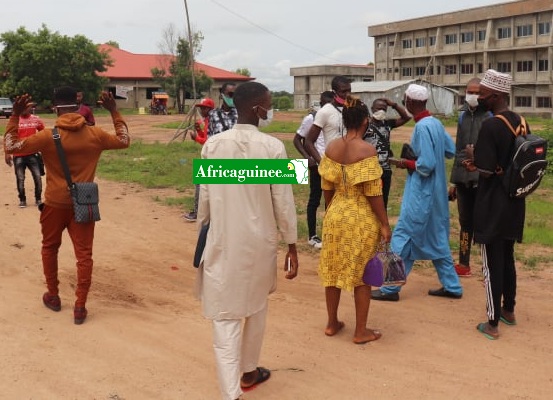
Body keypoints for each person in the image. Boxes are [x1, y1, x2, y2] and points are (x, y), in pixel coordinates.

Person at [196, 81, 298, 400]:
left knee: (226, 317)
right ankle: (246, 374)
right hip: (260, 243)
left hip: (223, 241)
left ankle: (238, 385)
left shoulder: (212, 146)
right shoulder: (273, 148)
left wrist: (201, 240)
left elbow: (205, 205)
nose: (271, 110)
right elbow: (284, 201)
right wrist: (292, 243)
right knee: (255, 307)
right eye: (268, 104)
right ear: (257, 108)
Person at [4, 87, 130, 325]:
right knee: (84, 256)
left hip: (54, 203)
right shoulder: (96, 135)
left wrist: (14, 115)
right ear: (78, 104)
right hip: (84, 203)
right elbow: (124, 140)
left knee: (50, 247)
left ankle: (53, 295)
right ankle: (80, 306)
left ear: (55, 107)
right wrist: (114, 112)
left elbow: (11, 145)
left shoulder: (47, 136)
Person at [371, 84, 463, 302]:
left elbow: (426, 165)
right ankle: (452, 286)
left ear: (410, 102)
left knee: (403, 237)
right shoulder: (436, 124)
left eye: (404, 100)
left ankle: (390, 289)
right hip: (437, 195)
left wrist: (404, 162)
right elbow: (450, 151)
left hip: (421, 195)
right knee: (437, 239)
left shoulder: (422, 127)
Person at [318, 94, 391, 344]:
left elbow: (326, 185)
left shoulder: (331, 147)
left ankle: (331, 323)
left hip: (335, 213)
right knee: (362, 275)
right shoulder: (367, 150)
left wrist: (331, 211)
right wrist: (384, 223)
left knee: (332, 269)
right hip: (361, 218)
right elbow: (373, 193)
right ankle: (360, 331)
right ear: (365, 122)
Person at [469, 69, 526, 340]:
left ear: (496, 94)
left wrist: (472, 155)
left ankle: (492, 323)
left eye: (482, 93)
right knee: (507, 257)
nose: (479, 97)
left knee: (491, 264)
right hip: (515, 201)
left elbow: (487, 169)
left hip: (493, 203)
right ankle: (509, 310)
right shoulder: (520, 121)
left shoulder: (491, 125)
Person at [448, 78, 492, 278]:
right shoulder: (462, 117)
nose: (472, 95)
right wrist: (455, 181)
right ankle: (464, 264)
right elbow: (459, 149)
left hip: (483, 178)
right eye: (469, 91)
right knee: (465, 222)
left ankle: (488, 267)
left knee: (484, 222)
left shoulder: (490, 116)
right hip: (462, 177)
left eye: (476, 92)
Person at [292, 91, 334, 249]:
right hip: (317, 165)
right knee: (315, 199)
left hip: (333, 165)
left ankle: (329, 234)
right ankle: (312, 236)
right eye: (324, 104)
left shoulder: (337, 118)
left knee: (331, 201)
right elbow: (297, 140)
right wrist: (307, 157)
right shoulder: (311, 118)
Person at [363, 97, 411, 208]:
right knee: (369, 202)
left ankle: (381, 224)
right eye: (379, 108)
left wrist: (393, 104)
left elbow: (406, 117)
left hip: (385, 169)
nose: (381, 111)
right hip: (369, 169)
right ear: (372, 109)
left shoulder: (387, 124)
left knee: (383, 202)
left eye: (384, 109)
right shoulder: (365, 125)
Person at [304, 75, 351, 165]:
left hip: (351, 166)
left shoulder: (353, 109)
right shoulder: (325, 112)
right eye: (343, 91)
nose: (347, 94)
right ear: (334, 93)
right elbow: (309, 142)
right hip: (332, 166)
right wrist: (322, 164)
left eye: (349, 91)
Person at [4, 107, 45, 208]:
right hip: (18, 155)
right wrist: (7, 152)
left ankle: (38, 199)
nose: (24, 110)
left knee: (37, 177)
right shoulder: (14, 121)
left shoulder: (36, 119)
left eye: (27, 108)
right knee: (20, 178)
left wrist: (43, 148)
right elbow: (8, 136)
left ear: (30, 109)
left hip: (33, 154)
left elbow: (43, 133)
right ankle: (22, 200)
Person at [183, 98, 215, 222]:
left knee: (200, 185)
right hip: (210, 157)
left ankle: (197, 213)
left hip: (212, 158)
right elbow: (206, 138)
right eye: (201, 108)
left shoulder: (212, 122)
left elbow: (209, 142)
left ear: (209, 109)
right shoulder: (208, 120)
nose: (201, 110)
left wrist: (196, 138)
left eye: (203, 108)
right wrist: (198, 131)